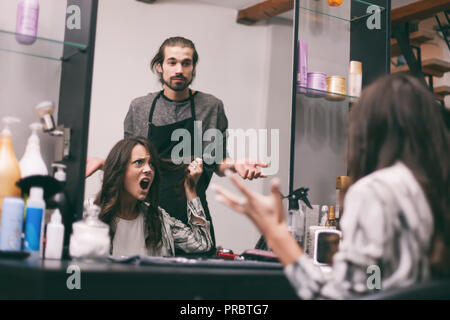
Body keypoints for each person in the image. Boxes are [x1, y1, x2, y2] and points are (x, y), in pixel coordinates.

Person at [213, 74, 450, 299]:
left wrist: (276, 234)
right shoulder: (434, 188)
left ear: (368, 129)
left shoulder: (375, 192)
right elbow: (377, 284)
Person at [87, 36, 267, 255]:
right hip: (149, 214)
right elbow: (129, 162)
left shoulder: (210, 107)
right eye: (172, 62)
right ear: (160, 67)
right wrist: (101, 163)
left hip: (192, 208)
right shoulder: (140, 108)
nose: (179, 69)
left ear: (193, 68)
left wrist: (235, 164)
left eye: (186, 63)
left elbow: (215, 161)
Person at [95, 136, 213, 257]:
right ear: (119, 170)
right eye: (139, 162)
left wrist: (190, 188)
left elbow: (202, 243)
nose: (148, 169)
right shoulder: (92, 217)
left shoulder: (159, 219)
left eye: (151, 164)